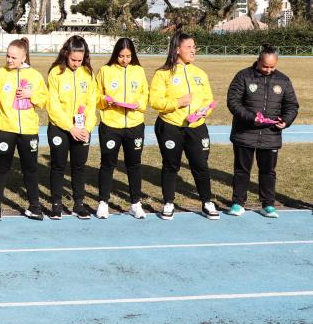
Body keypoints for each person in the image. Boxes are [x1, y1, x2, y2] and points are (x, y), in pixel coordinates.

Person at [149, 32, 219, 220]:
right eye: (189, 47)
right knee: (171, 165)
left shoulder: (200, 74)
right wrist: (178, 102)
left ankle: (207, 202)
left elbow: (208, 99)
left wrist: (205, 111)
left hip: (197, 127)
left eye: (194, 47)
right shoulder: (163, 73)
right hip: (170, 126)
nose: (193, 50)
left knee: (201, 165)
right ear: (177, 49)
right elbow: (154, 101)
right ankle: (168, 202)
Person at [226, 44, 299, 218]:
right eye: (265, 66)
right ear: (258, 61)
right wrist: (251, 117)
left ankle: (268, 205)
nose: (268, 70)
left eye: (272, 66)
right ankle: (237, 203)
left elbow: (292, 105)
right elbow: (233, 102)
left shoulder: (283, 80)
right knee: (241, 170)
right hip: (244, 133)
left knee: (268, 171)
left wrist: (286, 120)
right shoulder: (243, 76)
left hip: (270, 135)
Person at [0, 38, 47, 221]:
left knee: (30, 169)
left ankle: (35, 206)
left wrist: (33, 95)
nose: (9, 60)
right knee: (1, 168)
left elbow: (45, 101)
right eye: (7, 56)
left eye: (14, 57)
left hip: (28, 131)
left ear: (24, 57)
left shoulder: (35, 76)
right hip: (5, 129)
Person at [94, 38, 149, 220]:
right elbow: (96, 96)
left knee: (133, 165)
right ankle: (103, 202)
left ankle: (135, 203)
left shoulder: (139, 71)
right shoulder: (105, 71)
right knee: (108, 164)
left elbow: (144, 94)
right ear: (115, 54)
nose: (125, 60)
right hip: (111, 125)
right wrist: (105, 100)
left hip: (134, 125)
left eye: (128, 56)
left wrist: (137, 104)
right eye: (121, 56)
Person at [46, 35, 97, 220]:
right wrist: (70, 127)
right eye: (73, 59)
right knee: (58, 166)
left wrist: (87, 128)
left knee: (79, 167)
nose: (76, 63)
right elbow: (53, 105)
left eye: (80, 60)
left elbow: (92, 103)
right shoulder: (55, 73)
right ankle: (56, 204)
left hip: (82, 128)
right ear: (66, 54)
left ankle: (78, 204)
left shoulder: (88, 74)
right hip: (60, 128)